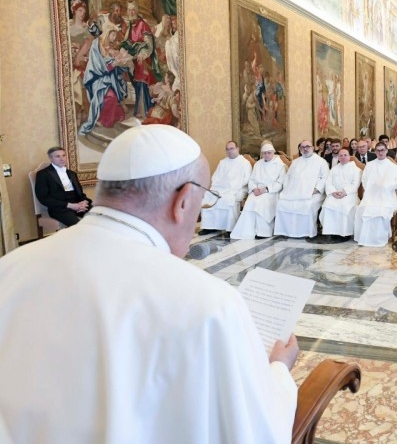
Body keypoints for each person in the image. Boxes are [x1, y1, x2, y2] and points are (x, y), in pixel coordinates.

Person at [0, 124, 299, 442]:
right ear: (183, 201)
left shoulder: (10, 268)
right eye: (203, 200)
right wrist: (279, 370)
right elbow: (257, 432)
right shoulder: (209, 304)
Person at [79, 22, 132, 134]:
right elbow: (98, 66)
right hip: (96, 78)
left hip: (106, 78)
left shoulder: (109, 46)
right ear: (107, 34)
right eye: (113, 35)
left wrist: (120, 63)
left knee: (116, 91)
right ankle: (102, 120)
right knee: (110, 97)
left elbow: (110, 62)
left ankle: (105, 118)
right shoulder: (96, 45)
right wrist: (114, 64)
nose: (114, 38)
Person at [230, 142, 287, 240]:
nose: (266, 155)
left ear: (273, 152)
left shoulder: (280, 165)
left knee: (261, 203)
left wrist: (266, 189)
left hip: (271, 192)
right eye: (264, 153)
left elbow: (280, 183)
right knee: (250, 202)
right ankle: (248, 231)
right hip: (257, 191)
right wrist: (254, 188)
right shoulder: (258, 164)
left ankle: (264, 231)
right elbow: (251, 179)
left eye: (269, 153)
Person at [275, 140, 329, 238]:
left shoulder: (321, 162)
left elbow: (325, 177)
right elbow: (287, 176)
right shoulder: (295, 162)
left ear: (312, 147)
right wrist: (287, 189)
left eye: (307, 146)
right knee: (282, 203)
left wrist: (317, 189)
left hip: (313, 193)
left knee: (307, 205)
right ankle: (288, 231)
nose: (305, 149)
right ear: (300, 149)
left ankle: (306, 232)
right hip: (294, 192)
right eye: (302, 147)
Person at [354, 142, 397, 247]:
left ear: (386, 151)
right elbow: (364, 180)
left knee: (381, 211)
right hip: (371, 195)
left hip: (387, 196)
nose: (380, 153)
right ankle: (365, 237)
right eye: (378, 150)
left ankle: (379, 238)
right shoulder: (370, 165)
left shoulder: (392, 166)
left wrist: (386, 185)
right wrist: (372, 188)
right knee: (363, 209)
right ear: (375, 152)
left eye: (382, 150)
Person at [199, 141, 252, 234]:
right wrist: (216, 187)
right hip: (220, 188)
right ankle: (209, 227)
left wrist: (232, 186)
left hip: (237, 189)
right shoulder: (223, 162)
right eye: (227, 149)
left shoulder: (244, 163)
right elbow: (215, 177)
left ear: (237, 149)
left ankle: (229, 228)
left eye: (232, 148)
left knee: (228, 198)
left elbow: (246, 179)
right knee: (208, 196)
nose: (229, 151)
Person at [35, 146, 92, 227]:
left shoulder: (72, 173)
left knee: (100, 218)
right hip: (60, 208)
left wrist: (84, 202)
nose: (62, 159)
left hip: (78, 204)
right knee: (79, 226)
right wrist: (71, 205)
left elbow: (80, 194)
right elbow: (44, 198)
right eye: (58, 156)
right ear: (50, 158)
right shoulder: (43, 174)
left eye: (63, 155)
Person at [121, 1, 160, 118]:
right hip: (133, 61)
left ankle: (146, 111)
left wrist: (142, 54)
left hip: (143, 60)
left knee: (143, 82)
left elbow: (149, 45)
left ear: (137, 11)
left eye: (133, 10)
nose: (131, 12)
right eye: (129, 10)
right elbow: (127, 43)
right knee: (137, 84)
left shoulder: (143, 25)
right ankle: (139, 111)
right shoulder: (130, 26)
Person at [319, 149, 362, 241]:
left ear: (349, 156)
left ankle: (345, 233)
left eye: (345, 155)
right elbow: (328, 183)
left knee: (344, 206)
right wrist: (333, 192)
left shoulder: (356, 170)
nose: (343, 157)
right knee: (327, 205)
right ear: (338, 157)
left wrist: (344, 192)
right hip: (334, 194)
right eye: (341, 156)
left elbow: (355, 185)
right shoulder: (334, 169)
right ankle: (332, 232)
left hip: (349, 194)